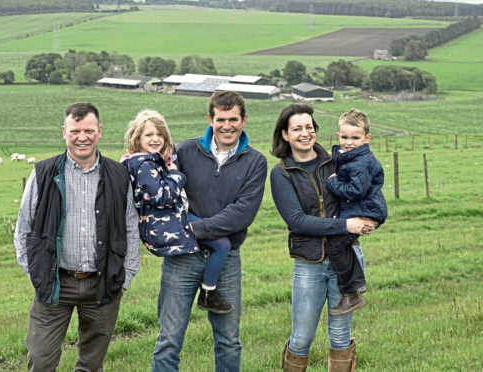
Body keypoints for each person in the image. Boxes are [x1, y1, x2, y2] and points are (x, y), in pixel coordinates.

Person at [14, 102, 140, 372]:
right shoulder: (43, 173)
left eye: (89, 130)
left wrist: (126, 276)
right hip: (54, 283)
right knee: (40, 360)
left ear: (100, 131)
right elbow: (23, 229)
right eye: (75, 131)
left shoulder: (119, 175)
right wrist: (37, 274)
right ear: (64, 132)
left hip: (103, 283)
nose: (82, 137)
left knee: (91, 364)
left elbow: (131, 226)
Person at [151, 91, 268, 371]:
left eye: (233, 119)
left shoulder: (255, 161)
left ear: (244, 120)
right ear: (210, 119)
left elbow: (242, 213)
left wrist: (193, 228)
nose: (227, 126)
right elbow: (168, 195)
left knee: (229, 340)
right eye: (221, 119)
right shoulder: (186, 151)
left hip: (226, 261)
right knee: (169, 339)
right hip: (182, 257)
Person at [270, 103, 376, 372]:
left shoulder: (337, 161)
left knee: (340, 336)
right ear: (285, 134)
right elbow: (298, 221)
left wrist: (371, 218)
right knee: (302, 337)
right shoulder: (282, 173)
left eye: (309, 127)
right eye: (297, 128)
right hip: (309, 263)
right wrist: (345, 225)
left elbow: (365, 190)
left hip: (347, 257)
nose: (304, 133)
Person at [121, 109, 235, 314]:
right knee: (222, 244)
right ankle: (208, 293)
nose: (156, 139)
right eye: (149, 135)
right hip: (165, 222)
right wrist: (175, 174)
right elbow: (163, 197)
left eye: (160, 134)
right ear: (137, 138)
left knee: (218, 243)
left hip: (168, 218)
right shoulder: (145, 165)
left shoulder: (146, 161)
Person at [325, 109, 387, 316]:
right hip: (358, 207)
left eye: (355, 138)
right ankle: (358, 284)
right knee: (343, 242)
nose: (348, 142)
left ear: (367, 138)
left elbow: (356, 191)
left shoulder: (360, 162)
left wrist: (332, 183)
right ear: (338, 136)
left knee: (335, 246)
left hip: (364, 209)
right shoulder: (349, 156)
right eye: (344, 137)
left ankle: (352, 293)